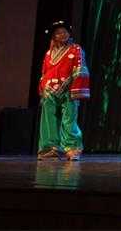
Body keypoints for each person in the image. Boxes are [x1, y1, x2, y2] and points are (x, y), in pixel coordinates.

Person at [37, 20, 90, 160]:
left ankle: (72, 148)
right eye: (59, 33)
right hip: (50, 91)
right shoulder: (49, 53)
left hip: (68, 89)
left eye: (65, 32)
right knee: (49, 119)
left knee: (69, 119)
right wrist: (43, 89)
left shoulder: (75, 49)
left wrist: (75, 88)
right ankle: (50, 148)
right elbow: (44, 72)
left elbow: (80, 68)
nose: (63, 34)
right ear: (54, 36)